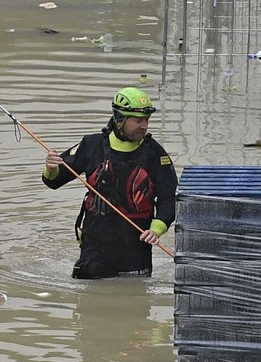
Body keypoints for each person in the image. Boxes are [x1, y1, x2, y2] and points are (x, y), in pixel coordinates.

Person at [42, 86, 178, 279]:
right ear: (119, 119)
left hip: (136, 248)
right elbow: (53, 182)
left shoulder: (156, 154)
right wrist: (51, 168)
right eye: (137, 120)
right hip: (95, 246)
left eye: (147, 120)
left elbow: (170, 197)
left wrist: (157, 228)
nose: (144, 126)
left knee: (135, 304)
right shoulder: (91, 145)